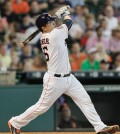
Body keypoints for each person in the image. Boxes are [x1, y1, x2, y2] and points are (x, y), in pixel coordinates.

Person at [8, 6, 119, 134]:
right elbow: (69, 22)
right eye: (50, 22)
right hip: (54, 80)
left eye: (52, 21)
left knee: (84, 99)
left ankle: (99, 126)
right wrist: (65, 14)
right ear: (43, 28)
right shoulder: (54, 35)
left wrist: (58, 17)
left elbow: (62, 24)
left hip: (69, 78)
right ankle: (15, 122)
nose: (53, 22)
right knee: (41, 107)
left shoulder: (49, 34)